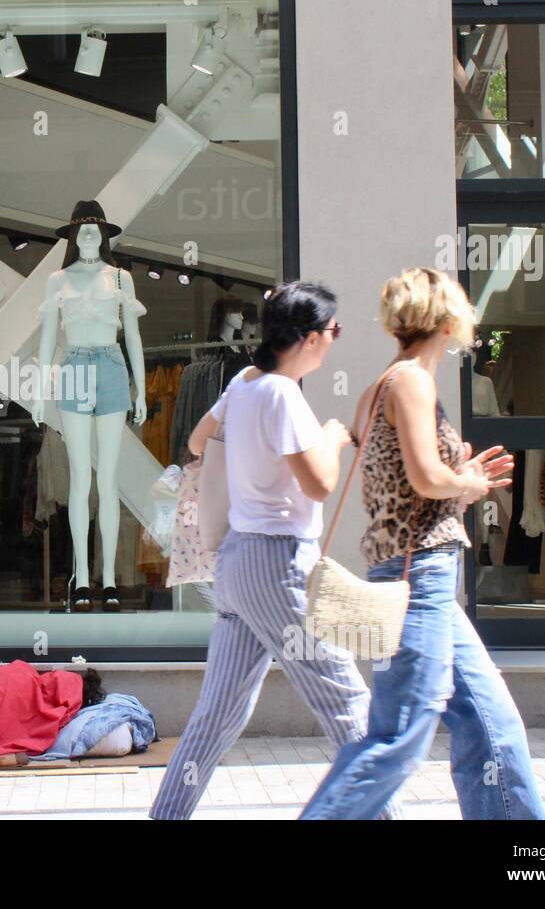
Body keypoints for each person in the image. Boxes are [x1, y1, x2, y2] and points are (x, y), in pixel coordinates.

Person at [300, 268, 545, 820]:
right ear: (448, 317)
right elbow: (425, 479)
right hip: (421, 579)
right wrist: (469, 482)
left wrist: (459, 475)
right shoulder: (411, 381)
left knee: (491, 723)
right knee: (399, 737)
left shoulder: (381, 385)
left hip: (416, 573)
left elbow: (406, 489)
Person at [150, 282, 402, 820]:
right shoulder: (283, 394)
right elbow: (319, 485)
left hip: (237, 563)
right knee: (346, 701)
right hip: (279, 564)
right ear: (310, 337)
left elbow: (196, 442)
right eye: (334, 331)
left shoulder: (244, 384)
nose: (335, 340)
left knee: (218, 714)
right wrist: (332, 437)